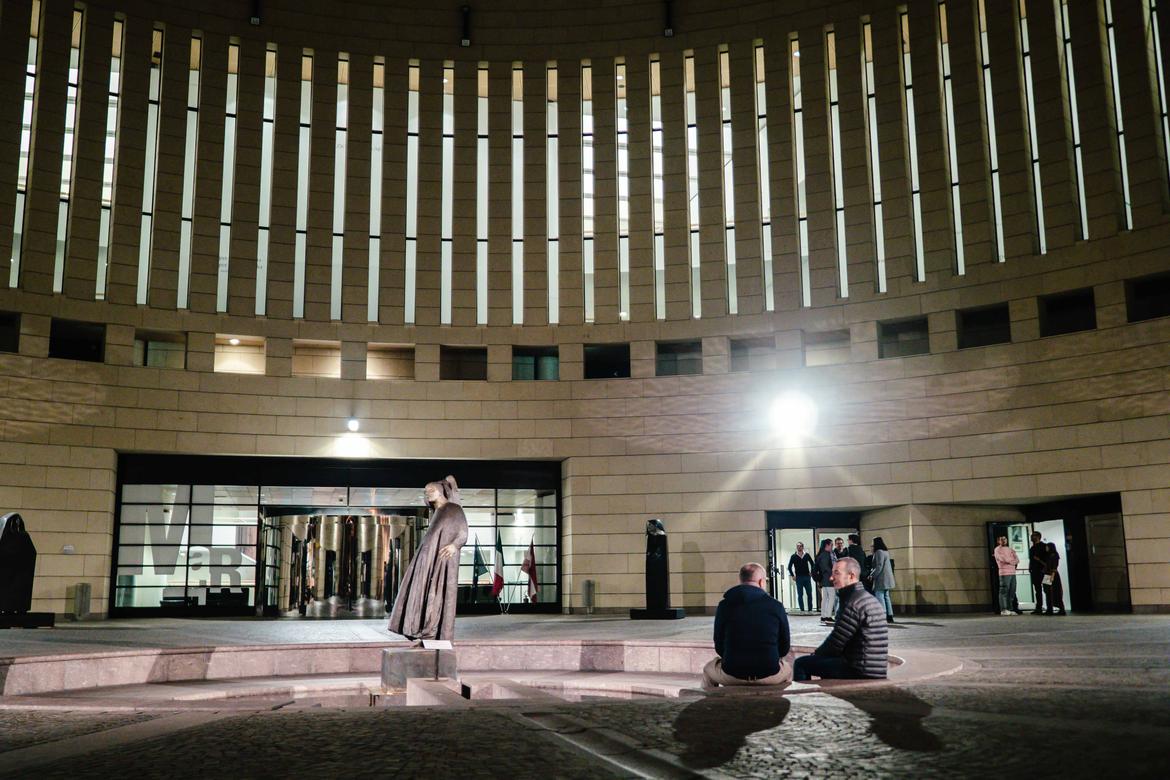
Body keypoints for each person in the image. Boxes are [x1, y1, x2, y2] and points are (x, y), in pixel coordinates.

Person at [387, 475, 468, 641]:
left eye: (431, 490)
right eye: (426, 491)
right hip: (427, 559)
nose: (427, 493)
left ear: (440, 492)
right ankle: (420, 631)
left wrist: (454, 545)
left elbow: (463, 532)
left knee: (436, 595)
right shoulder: (437, 512)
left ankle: (431, 633)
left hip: (442, 560)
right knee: (420, 591)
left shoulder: (453, 509)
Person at [793, 558, 889, 681]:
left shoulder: (853, 602)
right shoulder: (868, 598)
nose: (831, 578)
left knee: (801, 664)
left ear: (851, 576)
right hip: (875, 667)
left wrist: (816, 655)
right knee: (824, 663)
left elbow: (836, 642)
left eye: (836, 573)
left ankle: (802, 693)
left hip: (859, 668)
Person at [702, 562, 793, 690]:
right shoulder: (776, 606)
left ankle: (711, 701)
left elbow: (719, 645)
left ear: (741, 581)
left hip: (732, 674)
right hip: (769, 674)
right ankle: (778, 698)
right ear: (761, 582)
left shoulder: (724, 606)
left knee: (708, 669)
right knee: (788, 669)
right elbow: (784, 647)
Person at [869, 537, 896, 624]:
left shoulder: (879, 552)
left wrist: (872, 575)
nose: (872, 544)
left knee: (880, 596)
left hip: (881, 578)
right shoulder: (885, 552)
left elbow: (879, 566)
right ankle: (889, 615)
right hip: (887, 578)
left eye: (872, 542)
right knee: (886, 597)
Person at [993, 535, 1020, 616]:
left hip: (1012, 572)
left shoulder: (1010, 549)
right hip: (1004, 573)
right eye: (1002, 539)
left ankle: (1010, 608)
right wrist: (1011, 561)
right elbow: (1002, 559)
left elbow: (1017, 559)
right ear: (998, 541)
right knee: (1004, 591)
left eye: (1005, 539)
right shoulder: (997, 549)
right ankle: (1004, 609)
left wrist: (1011, 561)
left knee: (1012, 591)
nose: (1004, 540)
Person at [787, 543, 814, 612]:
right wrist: (793, 575)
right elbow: (789, 567)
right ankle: (802, 610)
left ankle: (810, 609)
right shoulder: (793, 556)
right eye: (797, 546)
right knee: (800, 594)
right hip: (798, 578)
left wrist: (811, 572)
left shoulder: (807, 555)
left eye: (800, 546)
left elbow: (812, 564)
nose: (799, 547)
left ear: (802, 547)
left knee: (809, 594)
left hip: (807, 577)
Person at [815, 539, 837, 624]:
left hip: (824, 579)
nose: (832, 546)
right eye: (831, 545)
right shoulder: (826, 554)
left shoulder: (821, 554)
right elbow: (826, 567)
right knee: (831, 597)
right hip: (829, 578)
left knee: (825, 598)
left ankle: (823, 616)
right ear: (827, 545)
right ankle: (828, 616)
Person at [1043, 542, 1066, 615]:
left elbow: (1054, 567)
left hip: (1051, 575)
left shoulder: (1054, 555)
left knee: (1053, 591)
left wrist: (1052, 576)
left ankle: (1058, 609)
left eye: (1047, 547)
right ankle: (1049, 609)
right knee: (1047, 592)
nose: (1046, 548)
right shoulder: (1049, 555)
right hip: (1047, 574)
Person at [1028, 532, 1047, 614]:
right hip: (1035, 571)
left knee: (1047, 589)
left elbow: (1047, 560)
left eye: (1033, 536)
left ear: (1038, 537)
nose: (1031, 537)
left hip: (1045, 571)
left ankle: (1049, 607)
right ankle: (1039, 607)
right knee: (1037, 589)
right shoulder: (1032, 548)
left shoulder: (1044, 546)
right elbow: (1031, 559)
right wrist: (1030, 567)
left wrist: (1039, 561)